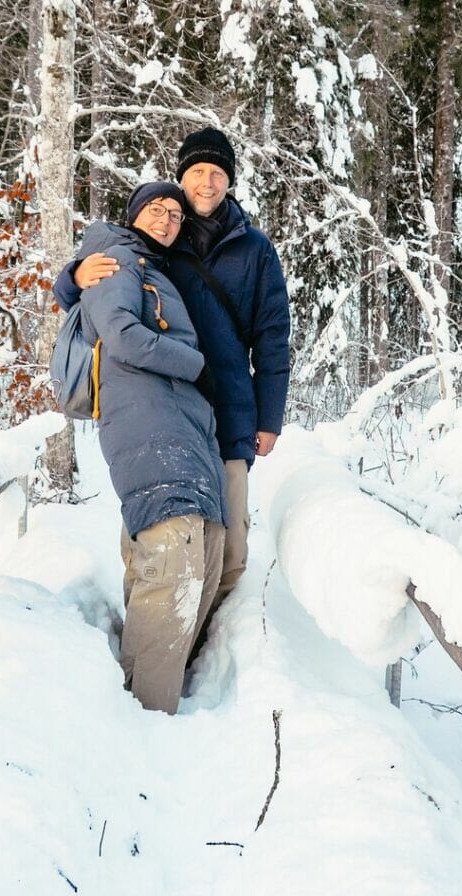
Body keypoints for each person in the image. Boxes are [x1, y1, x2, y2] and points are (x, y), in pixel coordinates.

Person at [54, 128, 291, 641]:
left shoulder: (253, 248)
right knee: (159, 529)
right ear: (182, 178)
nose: (206, 183)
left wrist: (269, 417)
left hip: (227, 409)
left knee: (227, 549)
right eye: (197, 173)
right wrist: (72, 276)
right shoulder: (163, 232)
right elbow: (105, 284)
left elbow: (273, 335)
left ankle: (201, 649)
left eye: (217, 174)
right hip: (165, 411)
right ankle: (152, 639)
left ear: (229, 182)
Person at [64, 181, 227, 714]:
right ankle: (147, 723)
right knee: (173, 557)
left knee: (196, 554)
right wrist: (197, 365)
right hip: (148, 425)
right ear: (134, 214)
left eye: (175, 215)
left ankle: (150, 698)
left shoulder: (149, 266)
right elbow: (124, 335)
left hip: (178, 423)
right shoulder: (116, 260)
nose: (166, 219)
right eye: (156, 209)